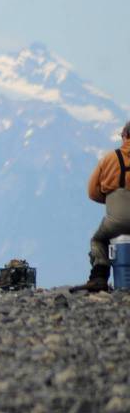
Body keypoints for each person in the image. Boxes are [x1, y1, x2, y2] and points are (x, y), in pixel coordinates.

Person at [75, 120, 130, 292]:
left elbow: (92, 191)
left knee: (98, 240)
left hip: (117, 219)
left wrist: (111, 199)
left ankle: (99, 277)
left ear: (125, 136)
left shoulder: (109, 159)